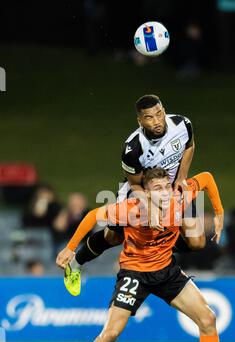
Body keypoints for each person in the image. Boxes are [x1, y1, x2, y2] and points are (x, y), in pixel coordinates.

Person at [56, 168, 235, 342]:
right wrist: (70, 248)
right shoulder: (131, 209)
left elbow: (208, 178)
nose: (164, 193)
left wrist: (219, 212)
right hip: (134, 274)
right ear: (145, 193)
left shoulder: (179, 196)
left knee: (208, 318)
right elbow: (94, 215)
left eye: (166, 187)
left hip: (166, 270)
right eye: (157, 189)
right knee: (110, 334)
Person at [59, 94, 214, 296]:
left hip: (171, 190)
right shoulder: (133, 148)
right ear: (140, 120)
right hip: (141, 192)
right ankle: (76, 264)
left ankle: (149, 249)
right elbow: (135, 183)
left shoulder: (183, 124)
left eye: (159, 114)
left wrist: (182, 177)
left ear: (164, 110)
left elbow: (190, 146)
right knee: (113, 237)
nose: (157, 121)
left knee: (197, 242)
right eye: (149, 117)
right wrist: (149, 207)